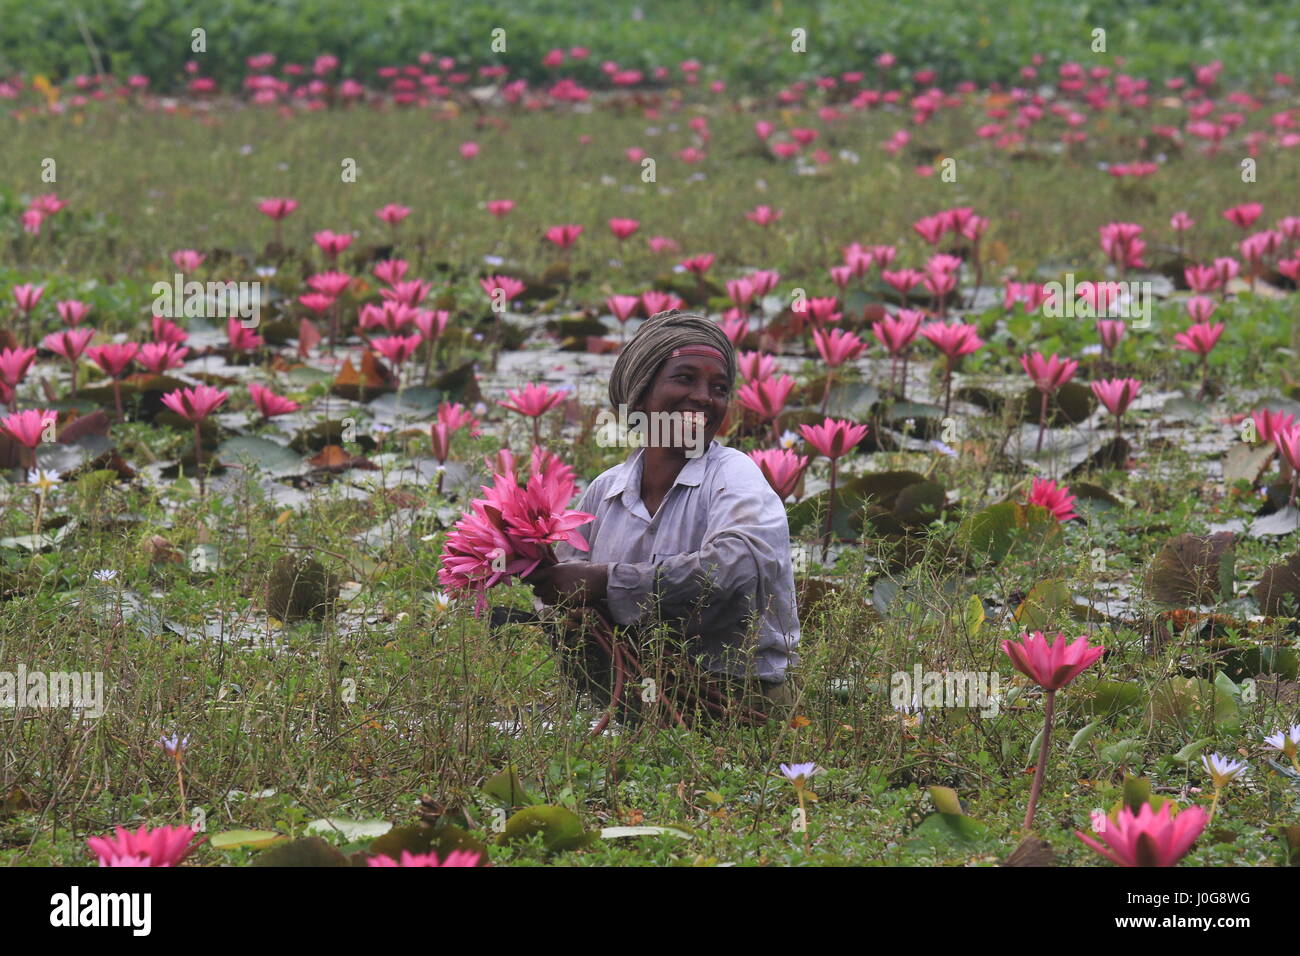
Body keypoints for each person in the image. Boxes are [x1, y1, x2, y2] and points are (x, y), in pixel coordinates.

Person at [525, 310, 801, 723]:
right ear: (640, 397)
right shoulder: (605, 491)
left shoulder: (734, 474)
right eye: (685, 379)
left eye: (719, 387)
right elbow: (565, 584)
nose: (705, 397)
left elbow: (737, 567)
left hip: (738, 703)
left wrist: (606, 581)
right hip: (628, 699)